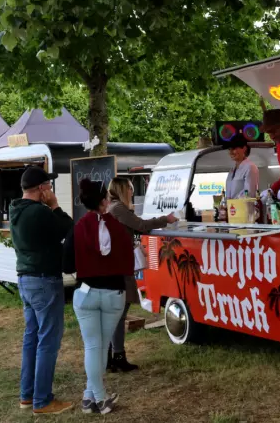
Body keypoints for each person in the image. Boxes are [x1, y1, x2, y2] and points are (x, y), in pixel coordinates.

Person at [65, 179, 133, 414]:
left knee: (94, 346)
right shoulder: (116, 226)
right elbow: (128, 259)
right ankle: (99, 398)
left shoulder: (78, 227)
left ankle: (89, 397)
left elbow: (66, 264)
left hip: (86, 293)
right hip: (113, 293)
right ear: (105, 200)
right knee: (100, 346)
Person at [10, 166, 74, 415]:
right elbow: (69, 228)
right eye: (48, 186)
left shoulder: (16, 209)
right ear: (41, 189)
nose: (51, 189)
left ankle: (27, 396)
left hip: (26, 280)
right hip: (45, 280)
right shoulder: (39, 212)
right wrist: (55, 205)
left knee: (31, 339)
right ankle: (43, 401)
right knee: (48, 341)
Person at [106, 177, 177, 372]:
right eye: (129, 188)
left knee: (117, 312)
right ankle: (117, 356)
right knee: (119, 313)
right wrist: (166, 219)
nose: (131, 191)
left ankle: (110, 356)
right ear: (122, 190)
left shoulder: (113, 208)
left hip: (117, 265)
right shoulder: (118, 209)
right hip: (120, 266)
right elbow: (142, 225)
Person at [225, 135, 259, 199]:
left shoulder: (250, 167)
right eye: (229, 149)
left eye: (234, 148)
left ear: (244, 148)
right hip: (232, 207)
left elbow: (249, 194)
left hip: (243, 207)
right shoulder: (232, 170)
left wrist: (233, 202)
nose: (231, 152)